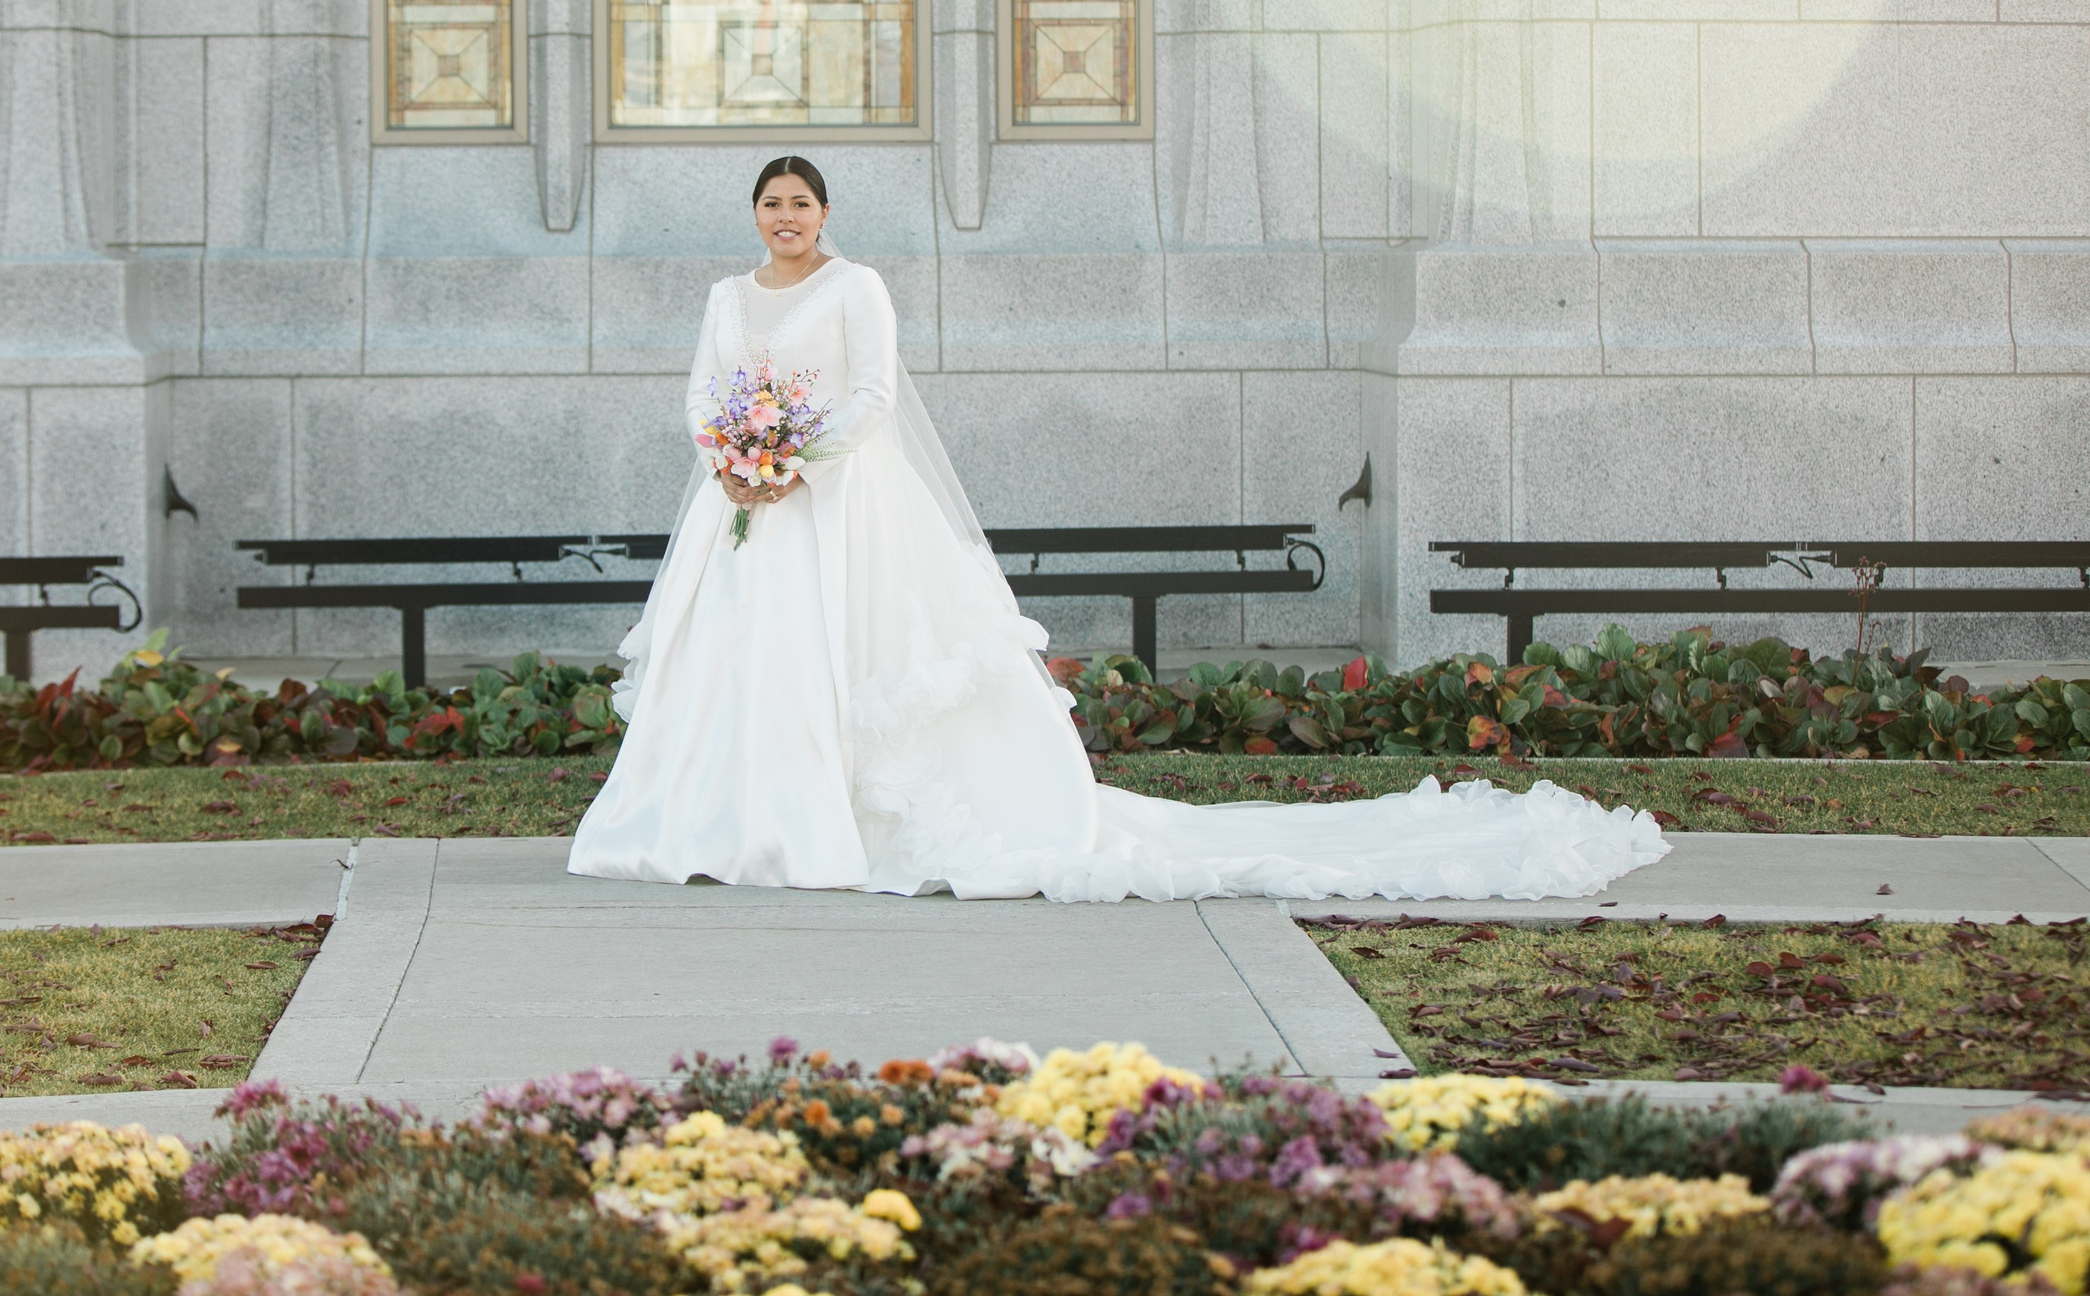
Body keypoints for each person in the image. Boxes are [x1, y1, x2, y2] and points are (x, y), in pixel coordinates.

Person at [566, 157, 1669, 902]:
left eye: (801, 203)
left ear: (825, 213)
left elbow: (873, 398)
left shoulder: (857, 287)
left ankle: (819, 823)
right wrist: (735, 461)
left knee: (835, 661)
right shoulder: (725, 296)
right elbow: (702, 393)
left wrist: (795, 461)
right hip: (741, 511)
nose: (786, 219)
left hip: (837, 507)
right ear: (753, 216)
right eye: (771, 206)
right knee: (734, 667)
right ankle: (723, 822)